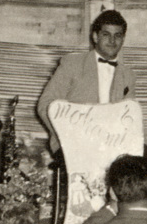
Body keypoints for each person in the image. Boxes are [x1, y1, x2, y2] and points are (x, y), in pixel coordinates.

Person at [37, 9, 136, 154]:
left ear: (123, 39)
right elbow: (45, 104)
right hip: (72, 145)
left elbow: (129, 118)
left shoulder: (128, 75)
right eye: (106, 35)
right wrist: (67, 136)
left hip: (111, 147)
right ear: (95, 37)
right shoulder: (72, 63)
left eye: (118, 36)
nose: (112, 41)